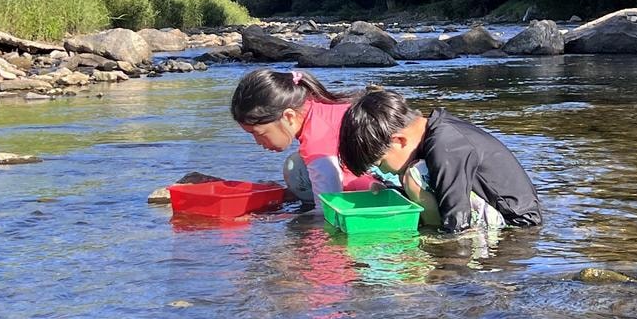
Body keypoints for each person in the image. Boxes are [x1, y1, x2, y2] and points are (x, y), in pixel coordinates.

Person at [339, 88, 541, 233]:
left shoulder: (446, 146)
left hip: (516, 227)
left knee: (415, 177)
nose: (387, 170)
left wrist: (437, 255)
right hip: (503, 215)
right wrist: (394, 195)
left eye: (381, 163)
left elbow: (457, 221)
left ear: (398, 141)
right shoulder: (434, 129)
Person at [231, 68, 380, 203]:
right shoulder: (316, 106)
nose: (257, 142)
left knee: (297, 168)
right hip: (378, 167)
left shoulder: (316, 140)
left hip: (387, 181)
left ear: (288, 116)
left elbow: (327, 206)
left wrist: (304, 224)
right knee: (301, 167)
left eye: (258, 134)